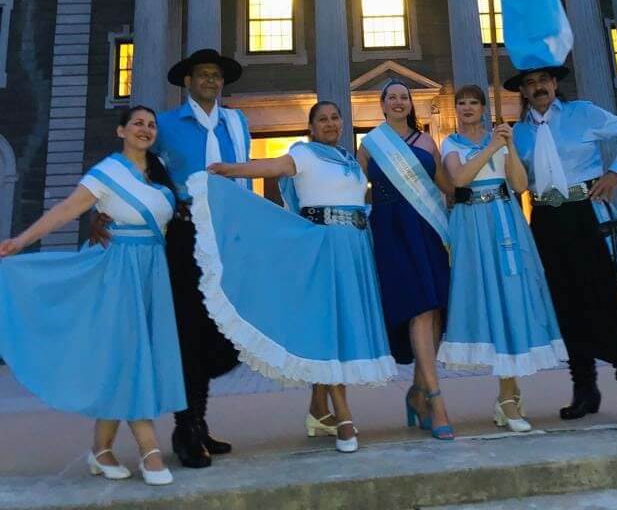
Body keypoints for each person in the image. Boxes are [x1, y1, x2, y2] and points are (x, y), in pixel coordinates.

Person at [197, 99, 397, 453]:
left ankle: (319, 411)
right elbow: (272, 167)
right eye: (323, 119)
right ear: (312, 126)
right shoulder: (304, 154)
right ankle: (345, 416)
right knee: (331, 330)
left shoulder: (350, 161)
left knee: (336, 327)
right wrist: (231, 170)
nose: (331, 123)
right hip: (324, 248)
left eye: (336, 118)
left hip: (355, 250)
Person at [0, 106, 183, 486]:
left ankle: (101, 449)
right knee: (131, 355)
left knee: (126, 358)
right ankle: (148, 447)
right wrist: (20, 241)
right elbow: (67, 209)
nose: (145, 129)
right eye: (137, 123)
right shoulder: (106, 173)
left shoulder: (160, 173)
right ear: (121, 131)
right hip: (118, 272)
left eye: (151, 125)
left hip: (152, 272)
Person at [508, 65, 617, 431]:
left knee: (609, 299)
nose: (538, 87)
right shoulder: (519, 133)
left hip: (587, 213)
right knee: (565, 304)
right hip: (546, 220)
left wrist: (616, 171)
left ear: (554, 84)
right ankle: (585, 389)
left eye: (544, 80)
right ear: (523, 91)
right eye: (530, 83)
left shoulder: (583, 113)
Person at [438, 84, 567, 432]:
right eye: (461, 103)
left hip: (506, 219)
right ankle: (507, 397)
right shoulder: (451, 143)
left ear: (482, 107)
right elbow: (459, 178)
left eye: (473, 103)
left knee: (513, 298)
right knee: (490, 298)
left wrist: (507, 145)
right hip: (473, 224)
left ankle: (509, 395)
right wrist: (492, 146)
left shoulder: (501, 136)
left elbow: (520, 184)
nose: (467, 108)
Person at [156, 48, 251, 468]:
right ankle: (186, 427)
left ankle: (199, 420)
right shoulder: (164, 124)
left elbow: (243, 176)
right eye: (203, 75)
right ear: (188, 82)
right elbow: (140, 168)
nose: (211, 81)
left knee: (219, 329)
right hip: (185, 235)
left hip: (226, 234)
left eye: (216, 76)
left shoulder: (237, 122)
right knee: (189, 329)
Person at [357, 80, 453, 440]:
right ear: (381, 105)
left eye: (404, 97)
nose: (398, 102)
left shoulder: (429, 142)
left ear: (411, 104)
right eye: (391, 97)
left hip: (428, 228)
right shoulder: (369, 146)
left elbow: (447, 185)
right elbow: (354, 188)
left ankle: (417, 392)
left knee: (437, 310)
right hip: (392, 232)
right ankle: (436, 399)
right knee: (419, 309)